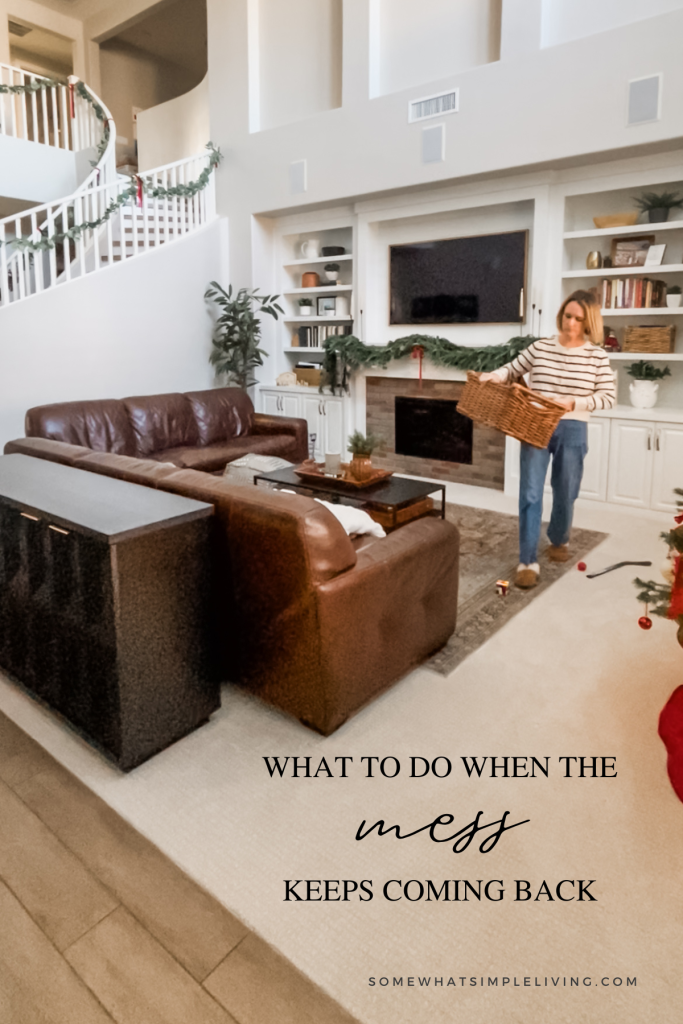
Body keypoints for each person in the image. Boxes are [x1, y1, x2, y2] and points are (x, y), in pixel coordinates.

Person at [479, 290, 616, 589]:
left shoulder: (597, 356)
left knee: (566, 491)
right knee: (530, 493)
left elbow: (608, 397)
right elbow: (512, 369)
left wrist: (573, 403)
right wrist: (494, 376)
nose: (571, 324)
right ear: (561, 315)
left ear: (589, 321)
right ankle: (527, 560)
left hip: (573, 428)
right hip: (535, 426)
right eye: (568, 316)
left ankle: (559, 538)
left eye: (579, 319)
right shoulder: (540, 347)